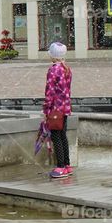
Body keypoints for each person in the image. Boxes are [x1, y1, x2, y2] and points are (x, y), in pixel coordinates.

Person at [43, 42, 72, 179]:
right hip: (65, 108)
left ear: (52, 55)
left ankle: (60, 166)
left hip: (55, 109)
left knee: (56, 136)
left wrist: (46, 109)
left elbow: (49, 92)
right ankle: (67, 165)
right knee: (63, 135)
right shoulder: (67, 68)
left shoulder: (53, 70)